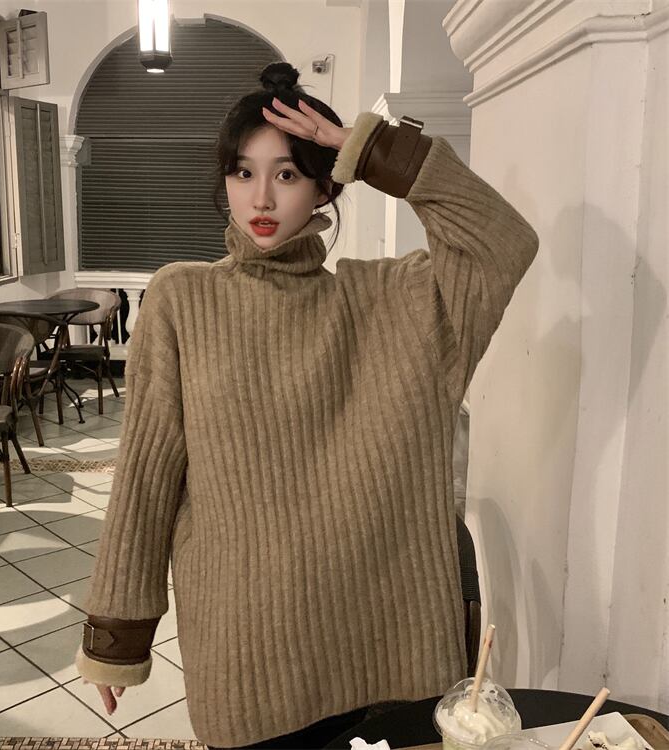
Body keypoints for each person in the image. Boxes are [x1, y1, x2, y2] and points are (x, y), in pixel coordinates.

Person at [74, 61, 539, 749]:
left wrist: (368, 146)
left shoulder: (396, 300)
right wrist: (119, 631)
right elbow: (147, 476)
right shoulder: (182, 300)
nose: (261, 196)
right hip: (245, 652)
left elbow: (502, 243)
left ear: (326, 185)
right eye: (242, 172)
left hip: (387, 645)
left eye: (288, 173)